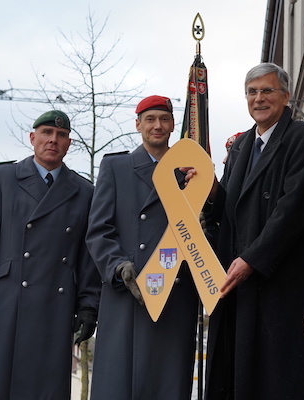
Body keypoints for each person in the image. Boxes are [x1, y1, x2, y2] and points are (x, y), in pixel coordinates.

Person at [0, 110, 101, 400]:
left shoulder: (85, 191)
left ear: (68, 144)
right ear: (33, 138)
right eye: (46, 134)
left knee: (45, 388)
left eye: (60, 136)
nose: (53, 140)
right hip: (4, 304)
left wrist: (89, 304)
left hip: (56, 305)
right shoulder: (3, 177)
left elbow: (87, 254)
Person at [201, 62, 304, 399]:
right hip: (239, 286)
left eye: (267, 91)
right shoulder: (240, 146)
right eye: (252, 92)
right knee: (238, 378)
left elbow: (293, 210)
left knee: (278, 380)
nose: (259, 99)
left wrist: (252, 259)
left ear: (286, 96)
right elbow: (229, 209)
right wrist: (210, 188)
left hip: (279, 284)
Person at [86, 95, 199, 399]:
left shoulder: (191, 170)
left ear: (174, 124)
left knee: (167, 385)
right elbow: (98, 231)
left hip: (175, 294)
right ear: (138, 125)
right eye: (150, 119)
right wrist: (118, 267)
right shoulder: (115, 166)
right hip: (128, 293)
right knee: (120, 385)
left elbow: (204, 227)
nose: (157, 126)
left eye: (164, 119)